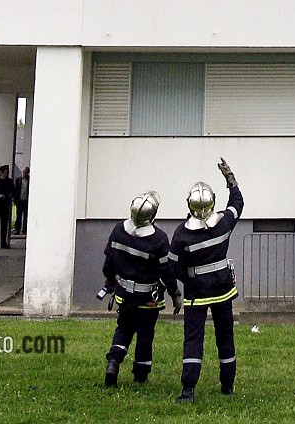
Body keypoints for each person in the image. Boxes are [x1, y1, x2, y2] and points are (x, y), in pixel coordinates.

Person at [170, 158, 243, 404]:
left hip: (195, 294)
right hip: (223, 290)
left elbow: (173, 267)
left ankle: (188, 390)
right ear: (212, 202)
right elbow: (237, 204)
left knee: (193, 339)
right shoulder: (224, 223)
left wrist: (181, 287)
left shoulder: (181, 234)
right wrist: (230, 179)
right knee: (225, 336)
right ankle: (228, 385)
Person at [102, 190, 181, 387]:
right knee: (145, 335)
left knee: (124, 328)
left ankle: (114, 361)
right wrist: (175, 294)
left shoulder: (119, 230)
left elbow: (108, 262)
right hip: (148, 298)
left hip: (125, 294)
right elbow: (167, 271)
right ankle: (140, 374)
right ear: (152, 216)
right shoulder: (159, 239)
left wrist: (110, 281)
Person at [13, 166, 29, 237]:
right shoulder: (18, 180)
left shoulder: (30, 180)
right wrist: (15, 200)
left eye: (25, 172)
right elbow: (16, 190)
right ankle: (17, 229)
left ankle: (24, 229)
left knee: (26, 216)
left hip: (26, 201)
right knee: (18, 216)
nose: (24, 174)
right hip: (19, 200)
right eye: (23, 172)